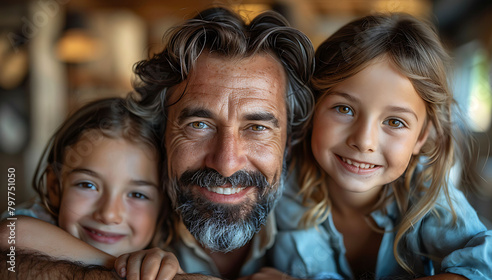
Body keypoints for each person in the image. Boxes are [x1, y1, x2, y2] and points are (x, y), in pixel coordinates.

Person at [0, 6, 315, 280]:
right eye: (199, 124)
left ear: (288, 143)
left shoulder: (321, 210)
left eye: (257, 127)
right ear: (161, 134)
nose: (227, 162)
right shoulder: (127, 203)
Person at [268, 13, 492, 280]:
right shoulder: (280, 187)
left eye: (394, 121)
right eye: (344, 109)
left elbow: (490, 263)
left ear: (422, 136)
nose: (364, 141)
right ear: (313, 109)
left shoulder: (426, 194)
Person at [0, 97, 182, 279]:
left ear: (163, 206)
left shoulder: (172, 255)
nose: (109, 214)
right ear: (55, 188)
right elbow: (11, 233)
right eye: (88, 185)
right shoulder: (40, 222)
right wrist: (122, 266)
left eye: (137, 194)